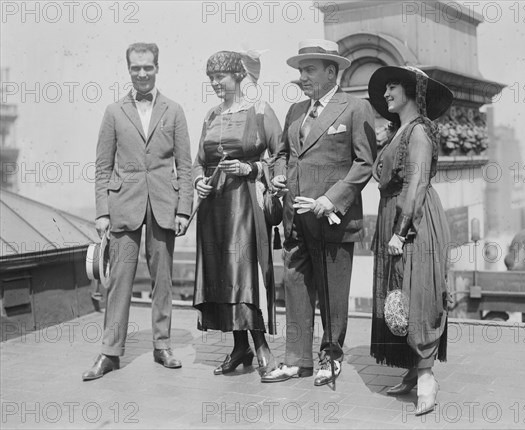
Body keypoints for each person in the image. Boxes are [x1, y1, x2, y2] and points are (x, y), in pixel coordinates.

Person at [262, 39, 377, 386]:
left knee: (332, 291)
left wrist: (332, 198)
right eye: (300, 70)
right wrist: (279, 174)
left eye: (309, 69)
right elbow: (281, 153)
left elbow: (365, 163)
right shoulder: (295, 111)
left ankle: (331, 356)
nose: (302, 77)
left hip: (332, 219)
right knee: (295, 286)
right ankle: (297, 360)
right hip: (294, 218)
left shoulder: (355, 108)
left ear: (332, 71)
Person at [83, 42, 193, 381]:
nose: (142, 73)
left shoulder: (174, 110)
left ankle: (162, 346)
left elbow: (185, 166)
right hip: (123, 205)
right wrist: (102, 211)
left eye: (147, 67)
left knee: (162, 280)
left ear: (157, 67)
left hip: (163, 205)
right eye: (135, 68)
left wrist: (184, 210)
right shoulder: (114, 112)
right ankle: (110, 353)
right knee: (119, 281)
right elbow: (102, 166)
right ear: (128, 69)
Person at [367, 65, 453, 415]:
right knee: (397, 292)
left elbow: (416, 184)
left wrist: (401, 231)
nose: (386, 94)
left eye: (392, 87)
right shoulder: (398, 130)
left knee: (417, 292)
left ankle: (426, 377)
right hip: (394, 213)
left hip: (413, 219)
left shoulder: (418, 132)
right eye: (385, 88)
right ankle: (410, 370)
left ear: (411, 92)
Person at [192, 50, 281, 378]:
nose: (215, 83)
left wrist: (251, 167)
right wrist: (199, 181)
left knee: (243, 276)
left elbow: (281, 155)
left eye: (221, 76)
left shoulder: (260, 111)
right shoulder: (210, 116)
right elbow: (198, 161)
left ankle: (261, 349)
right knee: (222, 277)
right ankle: (239, 346)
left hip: (245, 204)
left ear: (239, 76)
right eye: (211, 77)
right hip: (214, 208)